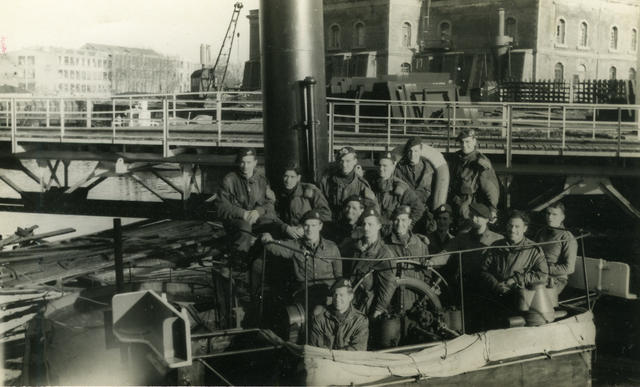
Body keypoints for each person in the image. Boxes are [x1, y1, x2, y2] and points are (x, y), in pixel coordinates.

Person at [260, 210, 342, 308]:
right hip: (304, 295)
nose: (310, 229)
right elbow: (273, 246)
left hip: (327, 295)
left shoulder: (332, 247)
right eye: (306, 225)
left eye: (313, 225)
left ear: (320, 226)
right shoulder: (295, 246)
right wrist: (266, 237)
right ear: (302, 227)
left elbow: (339, 277)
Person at [480, 210, 548, 323]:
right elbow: (483, 270)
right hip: (495, 295)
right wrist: (496, 285)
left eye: (517, 227)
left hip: (519, 299)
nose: (512, 230)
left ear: (525, 228)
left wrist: (515, 280)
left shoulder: (533, 250)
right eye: (510, 226)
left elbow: (543, 275)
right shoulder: (496, 246)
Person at [443, 202, 503, 331]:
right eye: (472, 215)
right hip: (466, 290)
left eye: (478, 216)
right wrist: (430, 262)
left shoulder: (497, 239)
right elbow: (446, 253)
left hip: (488, 292)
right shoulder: (462, 238)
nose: (474, 218)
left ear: (487, 219)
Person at [214, 148, 280, 253]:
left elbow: (270, 203)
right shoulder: (229, 180)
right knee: (245, 228)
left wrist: (258, 211)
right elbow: (221, 207)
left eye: (249, 162)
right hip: (236, 220)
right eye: (242, 162)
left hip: (256, 218)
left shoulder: (262, 180)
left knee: (274, 226)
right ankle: (239, 260)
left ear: (255, 163)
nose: (245, 166)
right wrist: (243, 213)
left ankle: (263, 259)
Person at [339, 207, 396, 318]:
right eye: (364, 224)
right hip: (350, 299)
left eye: (370, 224)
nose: (366, 228)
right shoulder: (355, 246)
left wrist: (378, 310)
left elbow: (388, 286)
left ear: (379, 226)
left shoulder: (384, 254)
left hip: (366, 305)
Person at [448, 128, 500, 224]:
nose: (464, 145)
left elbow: (491, 189)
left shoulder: (480, 162)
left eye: (467, 141)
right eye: (461, 142)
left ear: (474, 141)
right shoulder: (455, 158)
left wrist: (492, 209)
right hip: (454, 203)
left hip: (471, 207)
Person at [384, 205, 430, 309]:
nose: (400, 224)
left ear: (409, 222)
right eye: (397, 220)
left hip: (416, 300)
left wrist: (424, 298)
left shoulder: (420, 245)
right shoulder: (385, 245)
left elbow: (427, 274)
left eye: (403, 220)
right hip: (392, 300)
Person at [275, 163, 332, 240]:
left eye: (292, 177)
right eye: (286, 176)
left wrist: (304, 226)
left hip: (308, 235)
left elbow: (325, 213)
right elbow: (274, 216)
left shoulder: (309, 190)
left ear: (298, 178)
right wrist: (285, 227)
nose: (288, 180)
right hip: (287, 236)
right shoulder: (279, 193)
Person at [310, 278, 369, 351]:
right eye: (335, 295)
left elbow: (358, 349)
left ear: (350, 297)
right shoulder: (321, 317)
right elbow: (315, 347)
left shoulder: (359, 321)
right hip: (325, 360)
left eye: (341, 295)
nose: (337, 298)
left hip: (348, 361)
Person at [372, 151, 425, 230]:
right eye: (379, 165)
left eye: (385, 166)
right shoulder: (371, 184)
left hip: (393, 233)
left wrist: (407, 226)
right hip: (375, 231)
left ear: (393, 166)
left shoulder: (400, 187)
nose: (381, 169)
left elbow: (419, 209)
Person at [320, 146, 378, 217]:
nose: (344, 165)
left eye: (348, 161)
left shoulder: (362, 185)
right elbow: (321, 205)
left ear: (355, 162)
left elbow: (371, 210)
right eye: (342, 161)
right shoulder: (327, 181)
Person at [535, 202, 577, 296]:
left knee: (538, 297)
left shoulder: (567, 237)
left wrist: (545, 269)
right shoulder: (541, 232)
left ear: (562, 217)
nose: (550, 217)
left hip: (556, 279)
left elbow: (569, 268)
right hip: (538, 274)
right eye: (548, 213)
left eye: (554, 214)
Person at [394, 137, 435, 207]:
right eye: (410, 151)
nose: (412, 155)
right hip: (404, 206)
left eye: (416, 151)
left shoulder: (428, 169)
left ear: (420, 151)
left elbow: (429, 191)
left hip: (424, 206)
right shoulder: (399, 169)